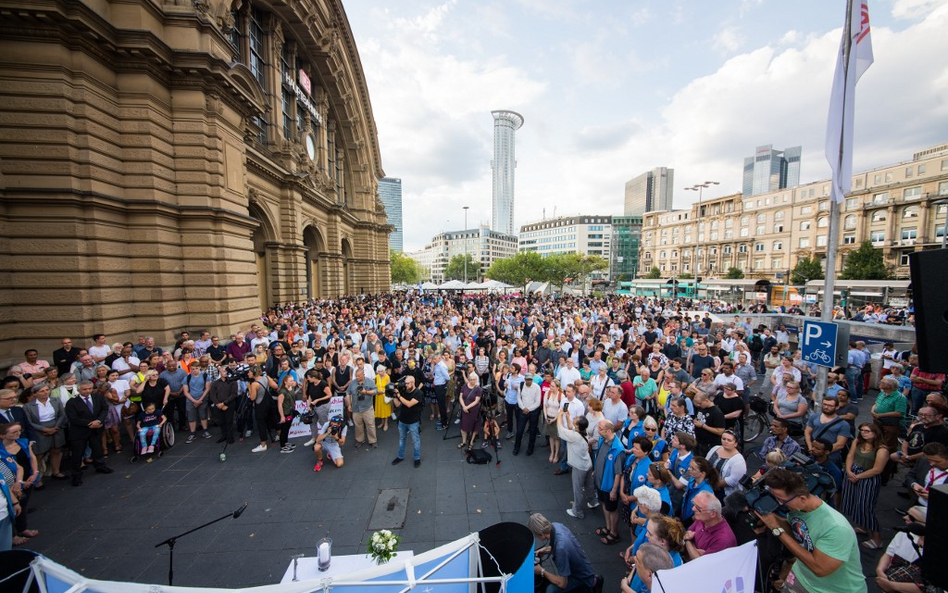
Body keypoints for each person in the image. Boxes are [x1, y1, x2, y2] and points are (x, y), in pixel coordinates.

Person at [755, 468, 866, 593]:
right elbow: (795, 533)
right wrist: (771, 518)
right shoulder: (798, 510)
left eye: (782, 500)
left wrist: (776, 529)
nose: (779, 504)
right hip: (801, 580)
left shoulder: (836, 528)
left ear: (802, 498)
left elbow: (819, 569)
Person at [529, 513, 597, 593]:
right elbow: (566, 548)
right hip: (585, 569)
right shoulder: (556, 526)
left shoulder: (561, 549)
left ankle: (590, 585)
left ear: (541, 534)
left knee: (550, 590)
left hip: (582, 578)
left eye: (537, 536)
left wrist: (541, 571)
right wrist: (545, 550)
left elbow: (562, 584)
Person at [63, 380, 114, 486]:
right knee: (77, 454)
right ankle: (76, 475)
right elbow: (73, 418)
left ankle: (100, 466)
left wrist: (99, 421)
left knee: (97, 448)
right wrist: (91, 423)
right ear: (78, 389)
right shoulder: (72, 402)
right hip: (79, 431)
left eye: (90, 389)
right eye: (84, 389)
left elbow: (104, 409)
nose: (87, 391)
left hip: (96, 429)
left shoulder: (98, 397)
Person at [23, 384, 68, 481]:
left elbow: (62, 415)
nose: (45, 392)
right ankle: (37, 479)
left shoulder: (56, 400)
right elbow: (29, 422)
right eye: (42, 391)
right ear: (35, 394)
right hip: (40, 431)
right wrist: (44, 429)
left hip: (56, 428)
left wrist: (56, 427)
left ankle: (56, 471)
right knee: (38, 455)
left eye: (47, 390)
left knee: (56, 450)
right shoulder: (28, 406)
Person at [593, 419, 626, 546]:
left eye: (600, 428)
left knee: (612, 509)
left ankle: (614, 533)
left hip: (609, 485)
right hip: (600, 482)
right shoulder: (602, 440)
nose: (598, 430)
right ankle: (608, 527)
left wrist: (614, 490)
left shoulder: (618, 449)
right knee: (604, 505)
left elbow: (618, 473)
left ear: (608, 431)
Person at [558, 409, 596, 519]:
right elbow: (572, 429)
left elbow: (561, 430)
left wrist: (560, 416)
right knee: (589, 485)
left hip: (579, 467)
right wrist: (568, 418)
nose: (574, 419)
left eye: (575, 420)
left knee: (578, 489)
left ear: (578, 426)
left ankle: (577, 511)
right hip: (587, 464)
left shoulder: (575, 436)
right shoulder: (584, 432)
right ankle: (593, 501)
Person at [683, 490, 737, 559]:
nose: (693, 509)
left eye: (698, 508)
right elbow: (688, 532)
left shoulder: (723, 540)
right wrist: (694, 551)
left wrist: (687, 541)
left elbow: (700, 562)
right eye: (694, 505)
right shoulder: (703, 519)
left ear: (713, 514)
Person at [804, 397, 851, 465]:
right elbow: (807, 432)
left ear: (837, 407)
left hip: (830, 457)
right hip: (812, 454)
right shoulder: (814, 416)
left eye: (830, 406)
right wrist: (810, 447)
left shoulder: (844, 424)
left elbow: (840, 444)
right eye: (825, 404)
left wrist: (823, 451)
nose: (826, 407)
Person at [391, 375, 422, 468]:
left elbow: (409, 404)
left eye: (408, 383)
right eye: (405, 383)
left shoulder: (418, 393)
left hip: (413, 421)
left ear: (413, 383)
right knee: (402, 439)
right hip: (402, 420)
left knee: (415, 440)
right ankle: (400, 456)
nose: (406, 385)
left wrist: (399, 395)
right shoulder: (404, 390)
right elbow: (398, 405)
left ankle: (417, 458)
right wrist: (393, 396)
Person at [706, 430, 747, 497]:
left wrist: (713, 484)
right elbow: (706, 463)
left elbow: (732, 481)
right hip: (708, 485)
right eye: (724, 439)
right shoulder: (715, 448)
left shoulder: (739, 460)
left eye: (729, 440)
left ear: (735, 443)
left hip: (724, 493)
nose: (726, 442)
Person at [347, 368, 378, 449]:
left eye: (359, 376)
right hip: (356, 408)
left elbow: (375, 391)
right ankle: (360, 440)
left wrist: (366, 392)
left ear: (363, 375)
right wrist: (349, 405)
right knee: (358, 425)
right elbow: (348, 393)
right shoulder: (353, 383)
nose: (357, 377)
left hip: (367, 407)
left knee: (370, 424)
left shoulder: (370, 381)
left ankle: (373, 441)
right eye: (356, 376)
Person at [207, 367, 238, 444]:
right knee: (221, 421)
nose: (225, 373)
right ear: (220, 372)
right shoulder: (215, 383)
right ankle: (224, 435)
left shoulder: (233, 382)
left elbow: (234, 394)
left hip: (229, 404)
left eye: (226, 371)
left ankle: (230, 437)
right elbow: (212, 395)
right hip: (218, 405)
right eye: (224, 371)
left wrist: (224, 403)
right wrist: (218, 404)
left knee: (229, 421)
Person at [514, 373, 541, 456]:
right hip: (523, 410)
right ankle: (516, 447)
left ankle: (530, 448)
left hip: (533, 412)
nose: (529, 381)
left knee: (533, 431)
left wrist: (529, 409)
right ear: (525, 380)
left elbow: (538, 402)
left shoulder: (537, 387)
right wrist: (523, 408)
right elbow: (518, 398)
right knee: (519, 430)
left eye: (530, 380)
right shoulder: (521, 386)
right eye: (527, 380)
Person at [693, 392, 725, 457]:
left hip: (710, 444)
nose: (698, 405)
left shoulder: (717, 413)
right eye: (697, 403)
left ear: (706, 400)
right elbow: (697, 417)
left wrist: (703, 426)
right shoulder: (702, 407)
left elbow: (720, 431)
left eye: (700, 403)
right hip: (699, 441)